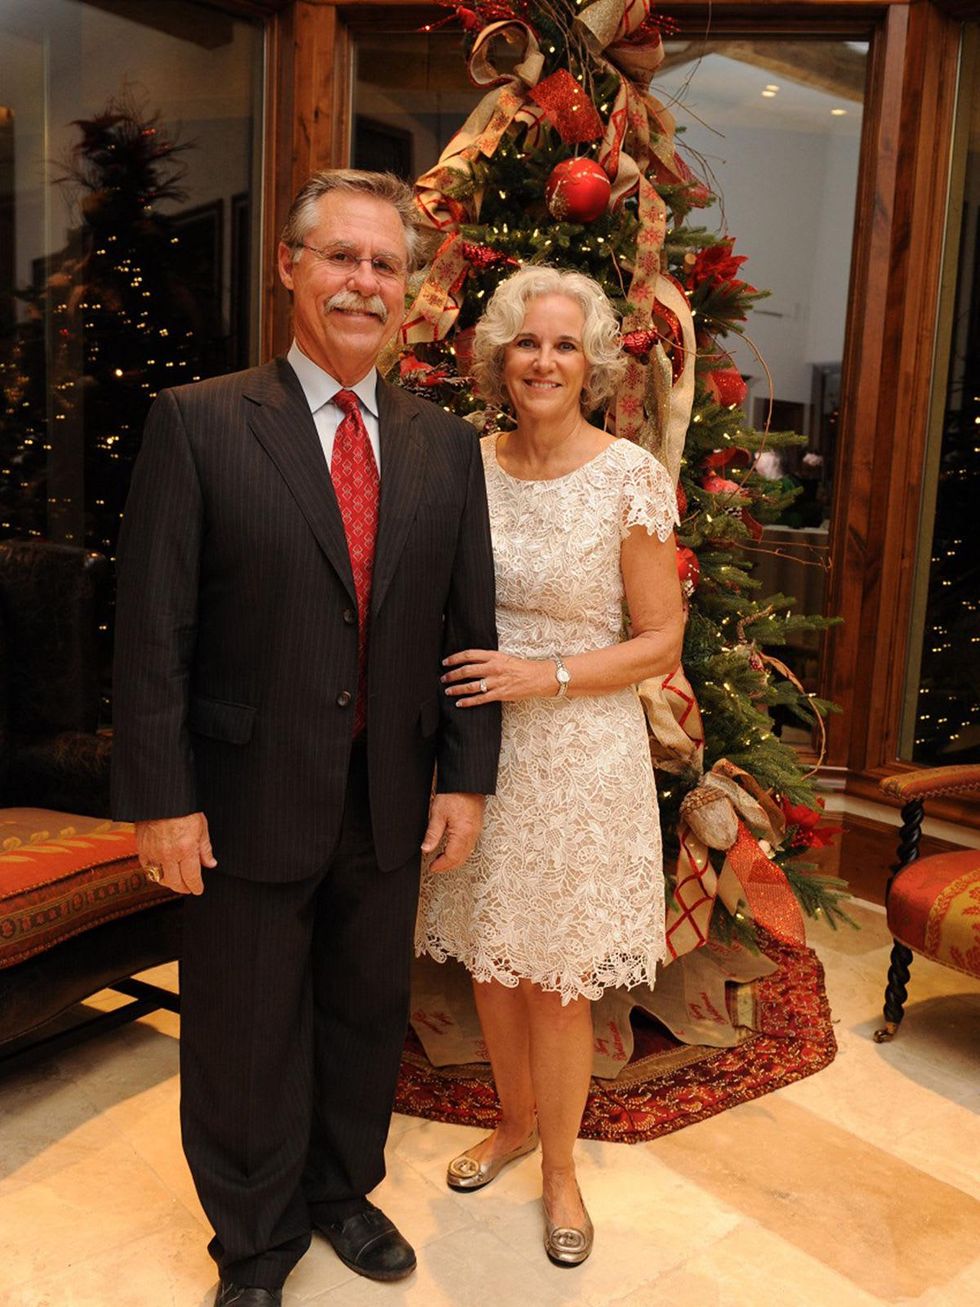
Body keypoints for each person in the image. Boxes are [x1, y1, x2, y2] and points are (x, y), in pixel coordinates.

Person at [111, 169, 501, 1307]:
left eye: (385, 265)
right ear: (290, 265)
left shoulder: (443, 447)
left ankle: (340, 1190)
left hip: (386, 798)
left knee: (362, 1012)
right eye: (341, 257)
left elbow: (468, 633)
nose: (363, 283)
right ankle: (253, 1238)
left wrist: (464, 782)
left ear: (408, 290)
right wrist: (161, 797)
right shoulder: (198, 423)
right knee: (240, 1031)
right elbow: (151, 632)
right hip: (238, 797)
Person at [416, 265, 684, 1267]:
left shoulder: (626, 477)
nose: (542, 360)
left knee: (557, 981)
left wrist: (548, 673)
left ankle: (561, 1167)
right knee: (492, 958)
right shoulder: (460, 463)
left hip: (579, 753)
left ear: (593, 363)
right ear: (498, 353)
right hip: (477, 752)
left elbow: (659, 639)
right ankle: (511, 1119)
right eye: (526, 341)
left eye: (563, 344)